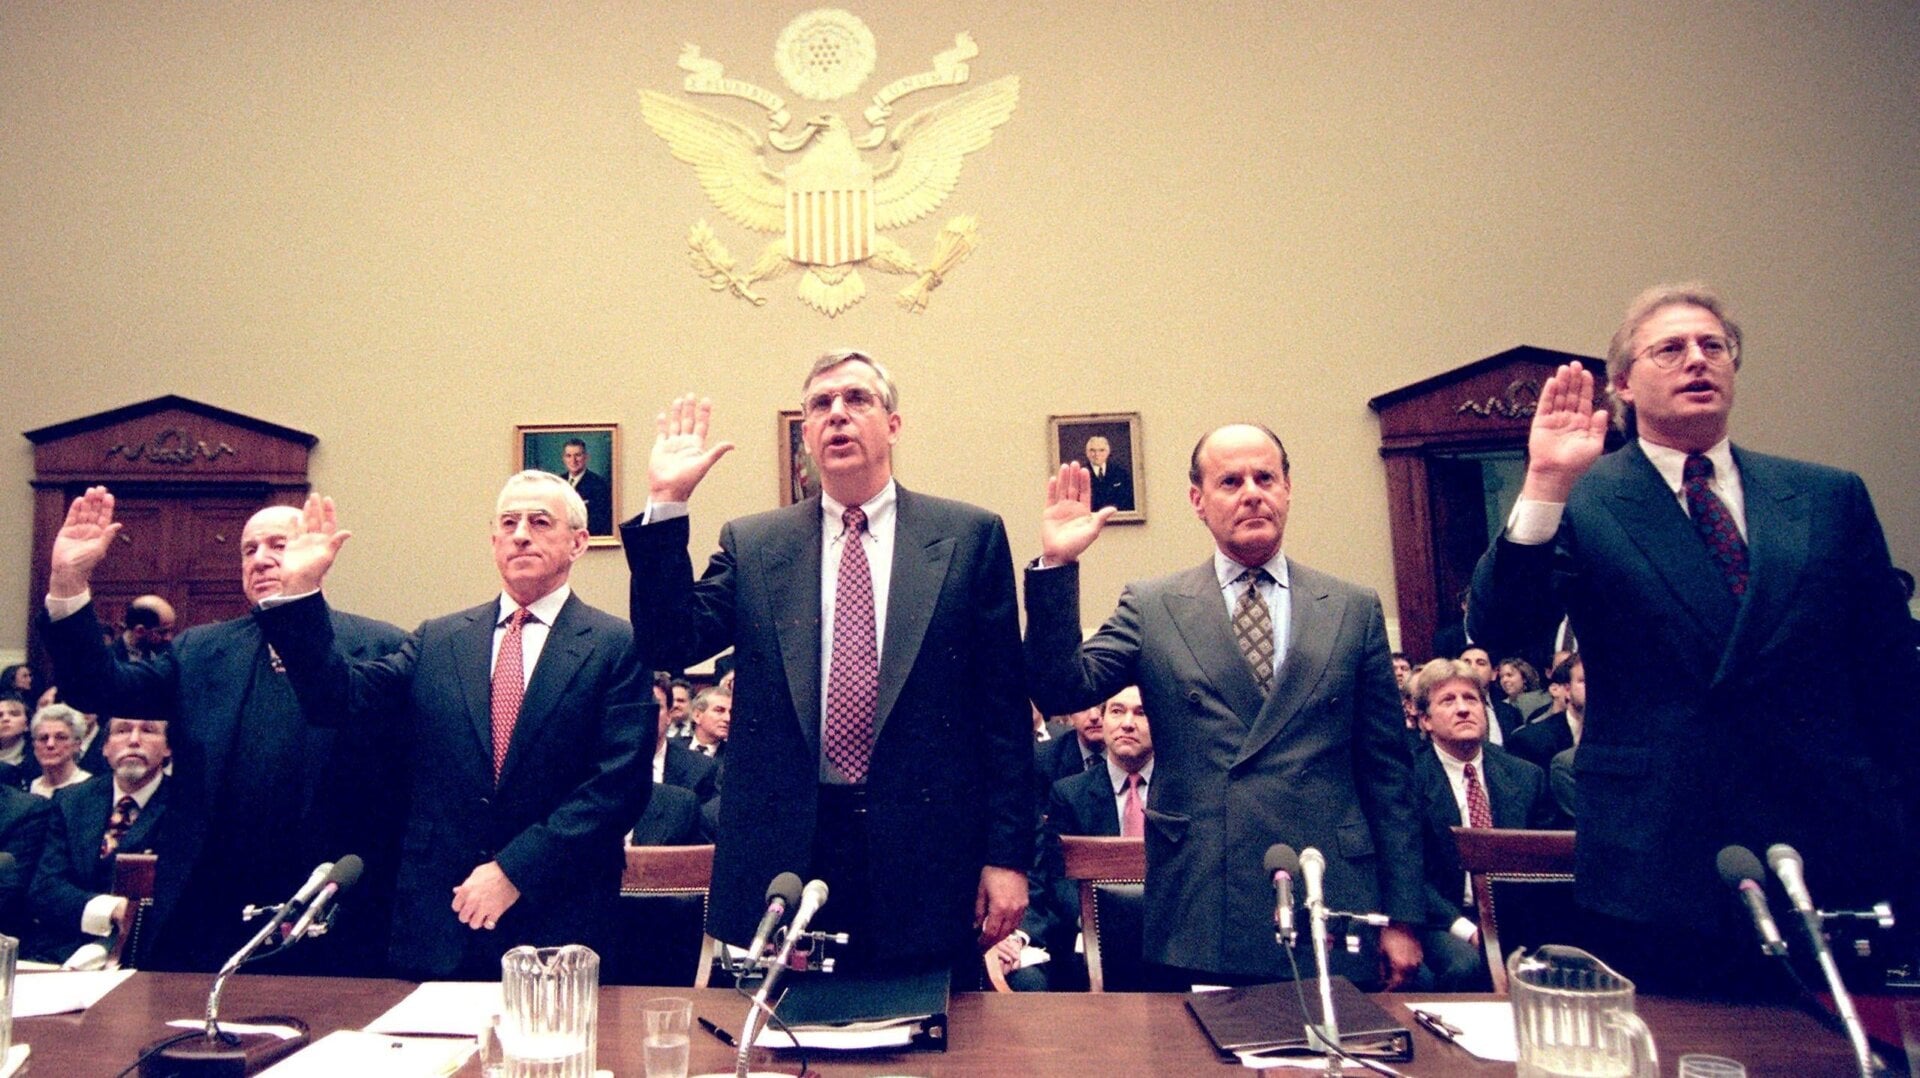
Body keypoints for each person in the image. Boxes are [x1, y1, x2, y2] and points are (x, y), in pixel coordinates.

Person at [1469, 282, 1920, 993]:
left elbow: (1890, 679)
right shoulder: (1588, 499)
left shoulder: (1827, 496)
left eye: (1714, 346)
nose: (1696, 360)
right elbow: (1500, 630)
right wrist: (1547, 483)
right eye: (1670, 349)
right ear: (1623, 383)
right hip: (1662, 848)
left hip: (1822, 836)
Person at [622, 351, 1033, 976]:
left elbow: (1003, 713)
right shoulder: (757, 543)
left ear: (892, 425)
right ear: (806, 436)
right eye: (820, 405)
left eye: (857, 399)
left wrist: (1007, 858)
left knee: (933, 1048)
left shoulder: (968, 536)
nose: (837, 414)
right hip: (792, 850)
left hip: (928, 851)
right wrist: (666, 503)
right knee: (792, 1050)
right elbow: (670, 641)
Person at [1024, 424, 1423, 988]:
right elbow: (1063, 689)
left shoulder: (1352, 608)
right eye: (1230, 481)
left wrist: (1403, 915)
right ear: (1198, 501)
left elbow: (1389, 774)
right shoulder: (1154, 605)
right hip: (1204, 893)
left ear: (1288, 489)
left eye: (1266, 477)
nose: (1251, 492)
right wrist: (1057, 567)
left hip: (1328, 887)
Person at [256, 472, 654, 980]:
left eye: (539, 522)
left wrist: (515, 870)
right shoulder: (437, 640)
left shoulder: (616, 644)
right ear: (493, 542)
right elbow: (341, 702)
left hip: (559, 915)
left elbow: (617, 786)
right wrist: (300, 596)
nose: (521, 535)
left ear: (578, 542)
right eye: (508, 523)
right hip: (439, 919)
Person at [39, 491, 411, 973]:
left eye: (278, 544)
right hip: (206, 910)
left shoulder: (377, 644)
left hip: (332, 911)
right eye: (248, 550)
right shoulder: (202, 649)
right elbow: (99, 687)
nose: (260, 559)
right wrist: (68, 582)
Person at [1407, 659, 1560, 990]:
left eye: (1471, 698)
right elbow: (1408, 873)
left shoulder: (1526, 776)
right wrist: (1470, 930)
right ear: (1425, 720)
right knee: (1466, 966)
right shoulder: (1409, 781)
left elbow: (1544, 867)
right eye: (1448, 700)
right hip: (1445, 920)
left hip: (1514, 917)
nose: (1463, 709)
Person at [994, 685, 1153, 991]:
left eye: (1141, 713)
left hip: (1165, 942)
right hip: (1087, 939)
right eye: (1117, 711)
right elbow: (1058, 880)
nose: (1127, 723)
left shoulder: (1181, 794)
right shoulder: (1070, 794)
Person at [29, 717, 170, 966]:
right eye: (122, 730)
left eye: (148, 730)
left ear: (168, 747)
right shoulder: (72, 800)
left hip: (153, 958)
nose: (134, 740)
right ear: (105, 747)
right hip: (64, 951)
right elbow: (46, 888)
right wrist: (110, 910)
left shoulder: (189, 807)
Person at [27, 705, 91, 798]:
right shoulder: (29, 787)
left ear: (77, 744)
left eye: (60, 737)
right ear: (34, 744)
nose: (50, 744)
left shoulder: (90, 787)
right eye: (43, 738)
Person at [561, 437, 615, 535]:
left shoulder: (599, 485)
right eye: (568, 456)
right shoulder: (558, 482)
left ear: (586, 457)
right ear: (564, 459)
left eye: (578, 455)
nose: (573, 460)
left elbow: (599, 521)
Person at [113, 595, 176, 663]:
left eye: (171, 630)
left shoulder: (167, 651)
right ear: (140, 631)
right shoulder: (110, 659)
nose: (169, 638)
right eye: (162, 632)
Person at [1082, 435, 1133, 512]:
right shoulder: (1080, 474)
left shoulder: (1120, 473)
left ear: (1108, 452)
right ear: (1087, 453)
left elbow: (1128, 500)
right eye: (1092, 450)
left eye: (1101, 450)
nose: (1097, 454)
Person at [676, 686, 730, 758]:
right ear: (697, 715)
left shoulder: (734, 757)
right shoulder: (673, 748)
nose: (728, 718)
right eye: (719, 710)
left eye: (731, 712)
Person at [0, 693, 36, 791]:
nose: (5, 719)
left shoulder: (38, 756)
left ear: (27, 724)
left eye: (14, 714)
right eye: (0, 715)